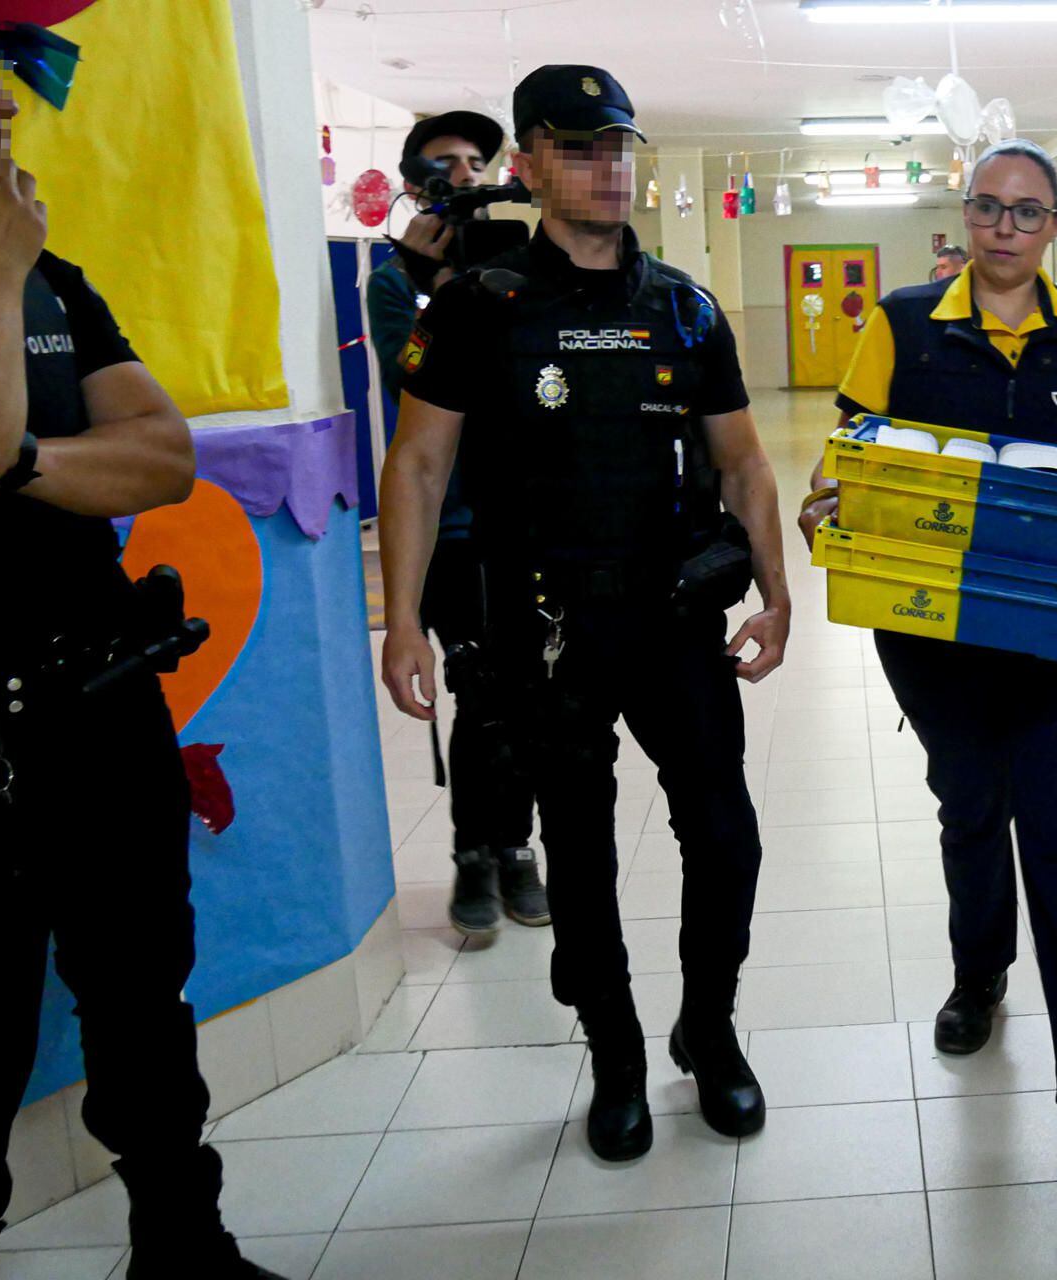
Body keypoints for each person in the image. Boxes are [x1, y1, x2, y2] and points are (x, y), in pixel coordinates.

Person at [378, 65, 791, 1163]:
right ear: (528, 164)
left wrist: (778, 591)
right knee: (582, 850)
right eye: (576, 147)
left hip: (674, 619)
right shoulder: (481, 305)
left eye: (617, 147)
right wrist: (403, 619)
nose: (606, 168)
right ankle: (614, 1053)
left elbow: (744, 462)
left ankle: (709, 1027)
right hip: (546, 626)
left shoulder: (685, 308)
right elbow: (417, 465)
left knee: (726, 835)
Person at [0, 6, 282, 1275]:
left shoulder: (56, 281)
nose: (2, 100)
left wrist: (18, 452)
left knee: (145, 1002)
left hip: (97, 705)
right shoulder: (2, 268)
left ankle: (184, 1247)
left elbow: (163, 456)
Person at [800, 139, 1057, 1184]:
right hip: (936, 629)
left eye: (1028, 211)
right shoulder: (905, 322)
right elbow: (848, 454)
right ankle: (978, 973)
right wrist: (827, 502)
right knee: (970, 807)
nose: (1007, 228)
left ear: (1055, 225)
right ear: (966, 217)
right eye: (990, 208)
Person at [365, 110, 549, 940]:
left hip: (527, 518)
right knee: (477, 688)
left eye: (478, 160)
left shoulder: (520, 267)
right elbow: (411, 376)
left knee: (527, 690)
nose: (467, 174)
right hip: (450, 526)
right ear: (416, 184)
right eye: (446, 164)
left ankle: (515, 847)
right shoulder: (393, 282)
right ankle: (479, 855)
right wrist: (437, 285)